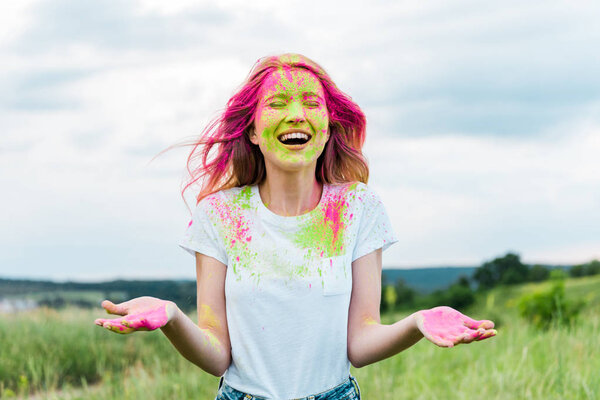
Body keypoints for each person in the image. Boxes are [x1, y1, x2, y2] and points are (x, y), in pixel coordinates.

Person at [95, 53, 497, 400]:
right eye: (277, 102)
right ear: (252, 129)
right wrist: (172, 318)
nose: (296, 114)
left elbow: (360, 343)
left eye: (310, 102)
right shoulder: (219, 214)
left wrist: (416, 324)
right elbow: (217, 354)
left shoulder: (358, 207)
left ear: (326, 127)